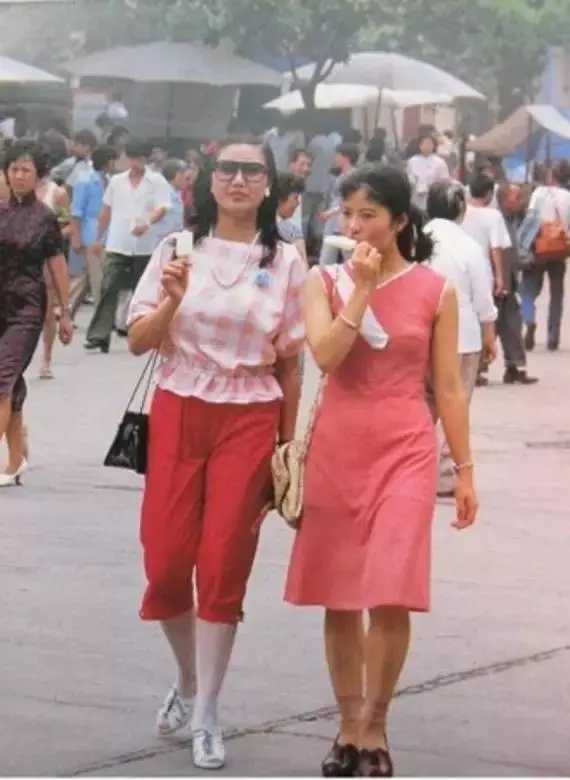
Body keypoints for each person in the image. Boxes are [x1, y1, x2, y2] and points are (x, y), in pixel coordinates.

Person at [285, 165, 478, 777]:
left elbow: (447, 387)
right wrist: (361, 291)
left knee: (390, 591)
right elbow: (325, 356)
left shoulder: (436, 290)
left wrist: (464, 469)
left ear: (398, 221)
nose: (355, 225)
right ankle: (347, 726)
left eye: (368, 215)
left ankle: (376, 725)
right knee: (340, 595)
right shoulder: (323, 281)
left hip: (406, 449)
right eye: (347, 214)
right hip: (338, 447)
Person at [126, 135, 305, 770]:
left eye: (251, 171)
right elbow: (138, 339)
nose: (238, 180)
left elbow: (291, 361)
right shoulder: (177, 248)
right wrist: (173, 300)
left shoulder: (287, 261)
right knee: (166, 560)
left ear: (269, 184)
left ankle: (207, 712)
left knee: (225, 560)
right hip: (179, 407)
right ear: (208, 180)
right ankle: (187, 678)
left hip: (250, 414)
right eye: (227, 169)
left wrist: (287, 445)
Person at [0, 141, 73, 487]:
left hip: (26, 309)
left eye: (25, 170)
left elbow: (57, 265)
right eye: (14, 168)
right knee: (10, 384)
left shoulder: (45, 218)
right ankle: (16, 458)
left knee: (2, 377)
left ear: (37, 175)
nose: (18, 175)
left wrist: (65, 312)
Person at [425, 180, 498, 495]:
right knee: (455, 403)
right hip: (462, 338)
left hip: (422, 334)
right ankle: (443, 473)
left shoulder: (416, 240)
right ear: (460, 208)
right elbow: (483, 298)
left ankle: (414, 466)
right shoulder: (469, 247)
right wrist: (489, 335)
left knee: (423, 405)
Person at [84, 139, 171, 353]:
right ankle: (99, 335)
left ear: (146, 159)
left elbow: (162, 208)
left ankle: (143, 332)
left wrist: (147, 222)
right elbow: (106, 211)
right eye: (131, 158)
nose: (135, 163)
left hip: (144, 245)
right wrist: (98, 238)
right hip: (117, 243)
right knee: (108, 287)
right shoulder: (116, 181)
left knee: (144, 291)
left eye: (139, 159)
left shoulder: (157, 181)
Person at [521, 160, 570, 352]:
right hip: (559, 250)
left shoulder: (538, 193)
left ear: (550, 176)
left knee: (528, 290)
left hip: (538, 248)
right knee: (556, 294)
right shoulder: (567, 196)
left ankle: (529, 319)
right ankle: (553, 337)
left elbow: (530, 220)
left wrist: (523, 245)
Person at [496, 184, 539, 383]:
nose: (521, 201)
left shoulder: (513, 218)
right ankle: (477, 370)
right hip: (498, 281)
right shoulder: (497, 220)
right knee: (491, 327)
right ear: (504, 200)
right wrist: (523, 262)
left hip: (509, 281)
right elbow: (505, 252)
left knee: (512, 325)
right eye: (516, 198)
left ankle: (514, 367)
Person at [68, 144, 118, 318]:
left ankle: (67, 310)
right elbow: (76, 212)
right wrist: (76, 237)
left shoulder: (109, 180)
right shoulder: (85, 180)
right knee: (98, 280)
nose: (114, 164)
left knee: (89, 279)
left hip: (105, 234)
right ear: (107, 161)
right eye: (113, 160)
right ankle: (100, 317)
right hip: (89, 233)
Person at [36, 173, 70, 380]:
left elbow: (68, 225)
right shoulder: (11, 190)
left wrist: (49, 237)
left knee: (47, 312)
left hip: (46, 260)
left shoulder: (57, 193)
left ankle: (46, 358)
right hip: (18, 259)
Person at [319, 142, 360, 266]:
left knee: (344, 256)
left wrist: (330, 213)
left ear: (345, 157)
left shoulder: (352, 176)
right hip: (335, 221)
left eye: (338, 155)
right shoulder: (343, 175)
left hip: (341, 219)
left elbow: (349, 201)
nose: (335, 158)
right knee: (334, 256)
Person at [406, 132, 449, 212]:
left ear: (434, 146)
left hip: (433, 198)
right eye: (425, 143)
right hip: (416, 198)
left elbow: (444, 181)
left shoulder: (440, 162)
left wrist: (432, 187)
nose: (427, 146)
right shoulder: (412, 161)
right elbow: (409, 178)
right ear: (420, 145)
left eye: (430, 144)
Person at [276, 172, 307, 265]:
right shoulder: (293, 232)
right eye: (295, 198)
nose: (298, 203)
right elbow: (303, 266)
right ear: (280, 199)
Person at [155, 158, 186, 242]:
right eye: (182, 174)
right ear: (176, 175)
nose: (185, 179)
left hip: (174, 241)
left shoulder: (177, 192)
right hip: (160, 243)